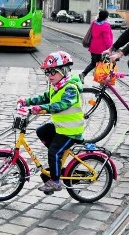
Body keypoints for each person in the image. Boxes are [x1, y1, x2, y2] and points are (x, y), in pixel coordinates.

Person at [17, 51, 84, 193]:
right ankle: (58, 162)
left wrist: (41, 109)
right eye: (47, 73)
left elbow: (61, 105)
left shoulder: (70, 88)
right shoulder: (56, 87)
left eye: (53, 72)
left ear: (63, 71)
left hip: (71, 131)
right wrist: (27, 101)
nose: (49, 76)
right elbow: (45, 97)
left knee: (53, 151)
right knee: (42, 131)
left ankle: (55, 181)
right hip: (61, 128)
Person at [80, 10, 114, 81]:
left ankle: (83, 74)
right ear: (106, 17)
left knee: (93, 63)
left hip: (93, 47)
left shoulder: (94, 23)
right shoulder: (106, 25)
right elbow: (107, 39)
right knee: (104, 65)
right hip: (102, 49)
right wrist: (110, 48)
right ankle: (102, 82)